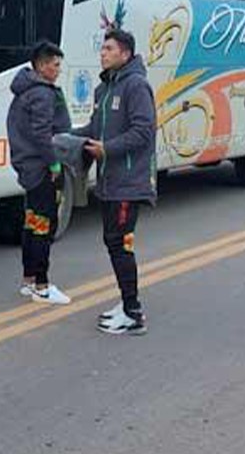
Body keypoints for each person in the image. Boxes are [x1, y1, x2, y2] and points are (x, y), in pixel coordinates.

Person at [74, 30, 157, 336]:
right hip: (109, 181)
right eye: (103, 48)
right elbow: (94, 128)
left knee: (120, 244)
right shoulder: (103, 89)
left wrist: (107, 149)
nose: (103, 53)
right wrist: (67, 135)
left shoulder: (136, 86)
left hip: (128, 182)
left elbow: (143, 133)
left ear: (125, 54)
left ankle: (133, 314)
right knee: (113, 242)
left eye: (109, 48)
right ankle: (125, 303)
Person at [7, 41, 73, 305]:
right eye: (56, 65)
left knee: (32, 222)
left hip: (26, 166)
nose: (58, 70)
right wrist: (54, 163)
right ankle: (43, 286)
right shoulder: (42, 94)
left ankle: (28, 280)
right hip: (41, 168)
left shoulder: (23, 91)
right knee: (44, 225)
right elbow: (42, 134)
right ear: (43, 65)